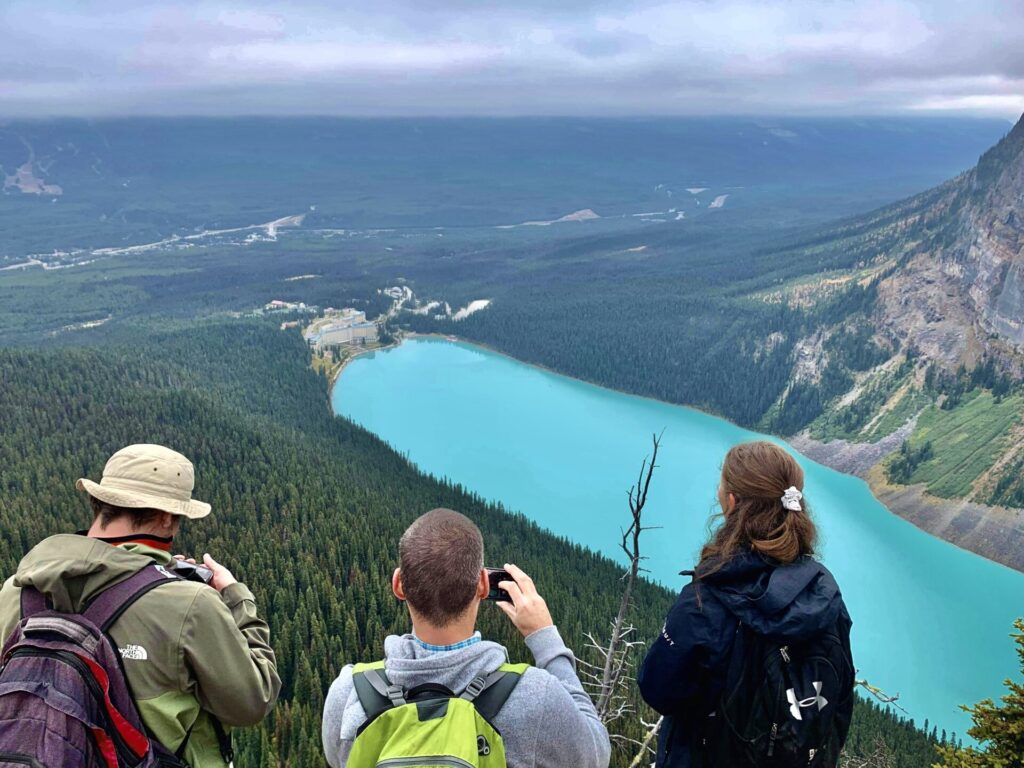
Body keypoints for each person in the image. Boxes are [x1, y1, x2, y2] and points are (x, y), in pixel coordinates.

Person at [0, 443, 281, 768]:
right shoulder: (192, 604)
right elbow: (252, 701)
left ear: (101, 502)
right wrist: (235, 596)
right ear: (165, 517)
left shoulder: (16, 590)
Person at [321, 507, 611, 768]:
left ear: (399, 585)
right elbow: (596, 754)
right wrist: (545, 639)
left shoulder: (349, 693)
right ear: (483, 585)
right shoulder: (535, 697)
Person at [638, 441, 854, 768]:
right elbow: (839, 703)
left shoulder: (706, 601)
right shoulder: (823, 594)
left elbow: (657, 689)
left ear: (731, 502)